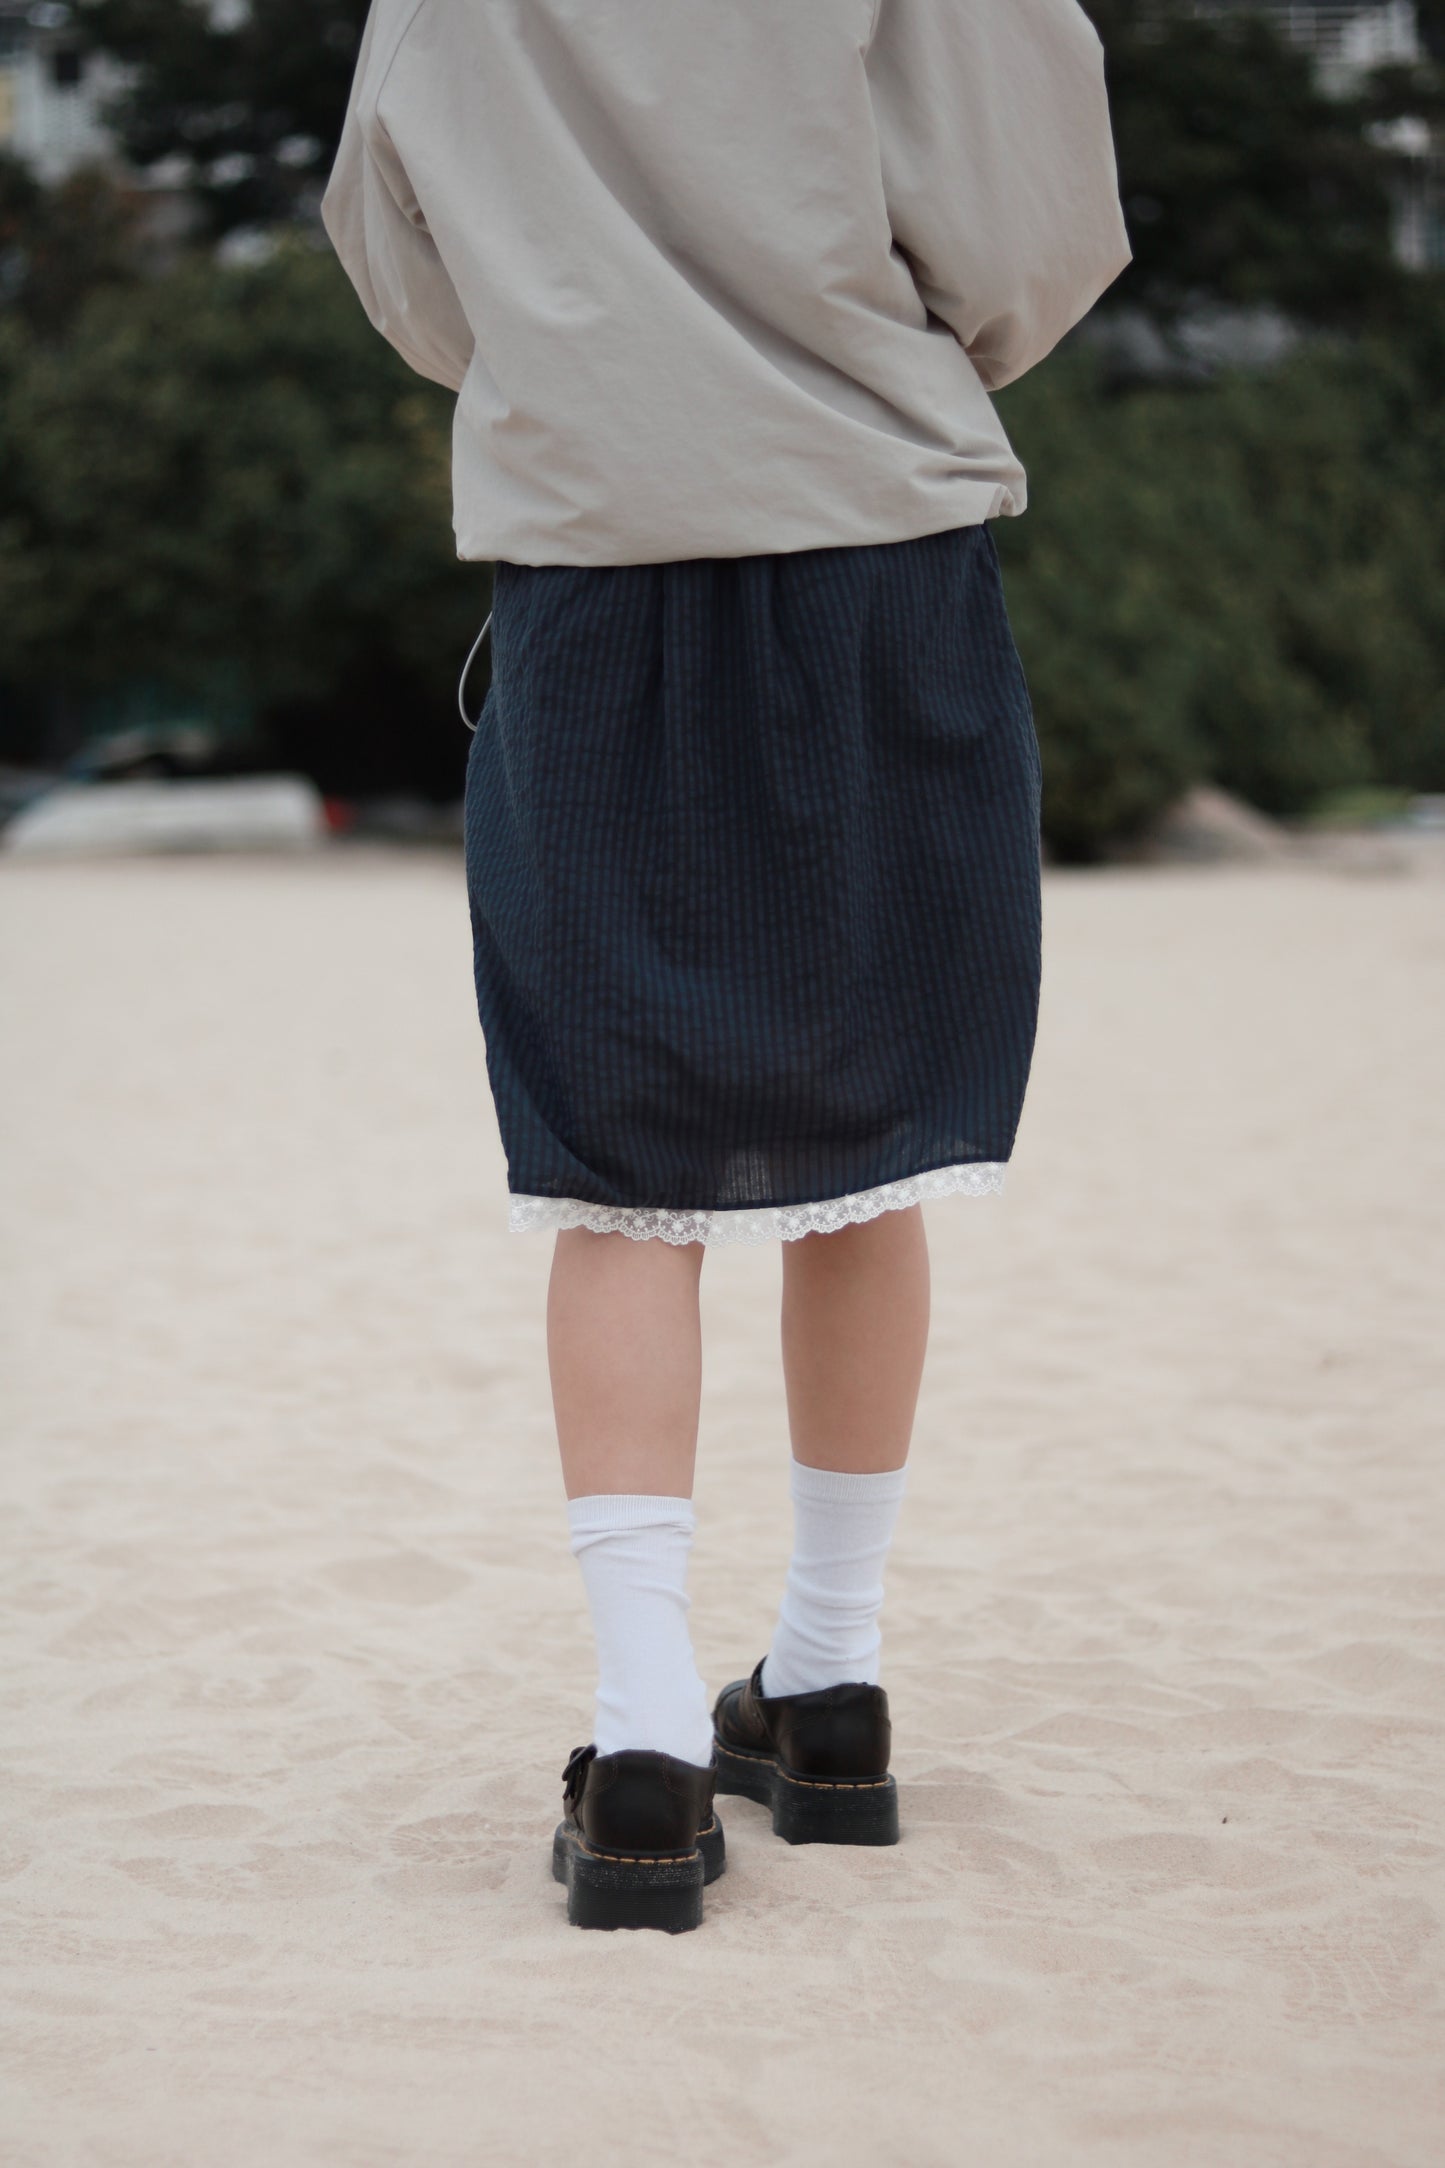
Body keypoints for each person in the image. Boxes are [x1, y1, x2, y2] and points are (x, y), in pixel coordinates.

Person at [322, 0, 1130, 1933]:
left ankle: (644, 1755)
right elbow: (1031, 219)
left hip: (595, 560)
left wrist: (592, 346)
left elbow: (394, 233)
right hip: (875, 536)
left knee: (619, 1171)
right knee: (874, 1139)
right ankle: (829, 1690)